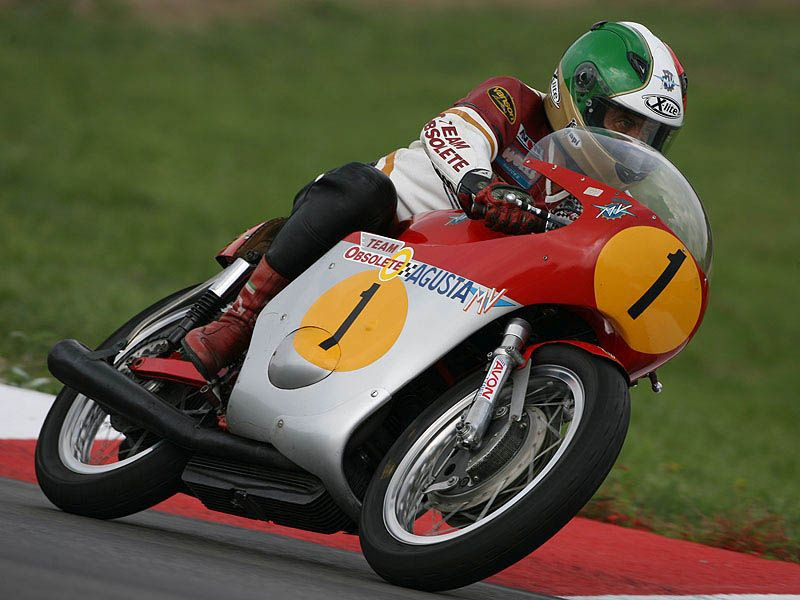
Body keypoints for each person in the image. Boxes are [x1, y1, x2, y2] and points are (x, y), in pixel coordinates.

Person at [181, 20, 689, 380]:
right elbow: (451, 128)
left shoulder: (598, 194)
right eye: (625, 122)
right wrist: (476, 183)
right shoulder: (514, 100)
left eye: (650, 134)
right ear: (582, 92)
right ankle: (239, 318)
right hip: (384, 231)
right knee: (364, 188)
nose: (636, 145)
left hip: (457, 284)